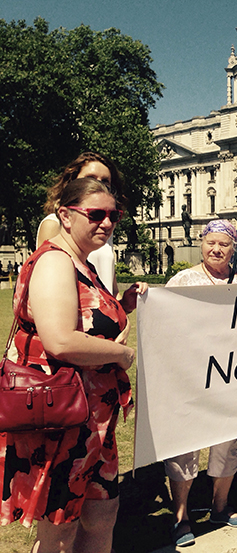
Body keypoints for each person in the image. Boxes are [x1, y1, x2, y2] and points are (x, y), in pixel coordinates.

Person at [0, 178, 136, 553]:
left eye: (114, 215)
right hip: (63, 422)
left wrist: (121, 309)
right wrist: (121, 355)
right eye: (95, 215)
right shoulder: (55, 261)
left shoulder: (82, 262)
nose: (106, 223)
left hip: (93, 423)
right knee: (60, 532)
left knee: (102, 515)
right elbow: (60, 339)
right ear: (65, 214)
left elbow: (87, 324)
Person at [163, 220, 237, 546]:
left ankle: (221, 506)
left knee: (228, 443)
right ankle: (181, 516)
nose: (216, 249)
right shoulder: (183, 280)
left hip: (232, 378)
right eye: (211, 243)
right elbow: (161, 318)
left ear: (234, 248)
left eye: (224, 244)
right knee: (185, 446)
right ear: (202, 244)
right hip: (191, 377)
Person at [37, 152, 122, 296]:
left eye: (105, 180)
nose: (99, 184)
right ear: (72, 182)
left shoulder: (105, 228)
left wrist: (126, 304)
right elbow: (45, 285)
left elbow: (111, 291)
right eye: (90, 178)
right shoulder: (54, 224)